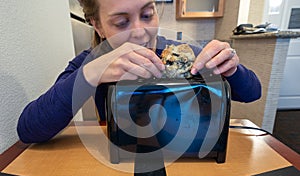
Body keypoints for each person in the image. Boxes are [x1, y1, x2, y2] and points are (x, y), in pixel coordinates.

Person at [17, 0, 261, 143]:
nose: (140, 32)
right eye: (121, 23)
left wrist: (232, 68)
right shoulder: (90, 63)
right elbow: (29, 129)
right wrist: (90, 75)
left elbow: (252, 92)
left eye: (147, 14)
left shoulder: (178, 54)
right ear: (98, 26)